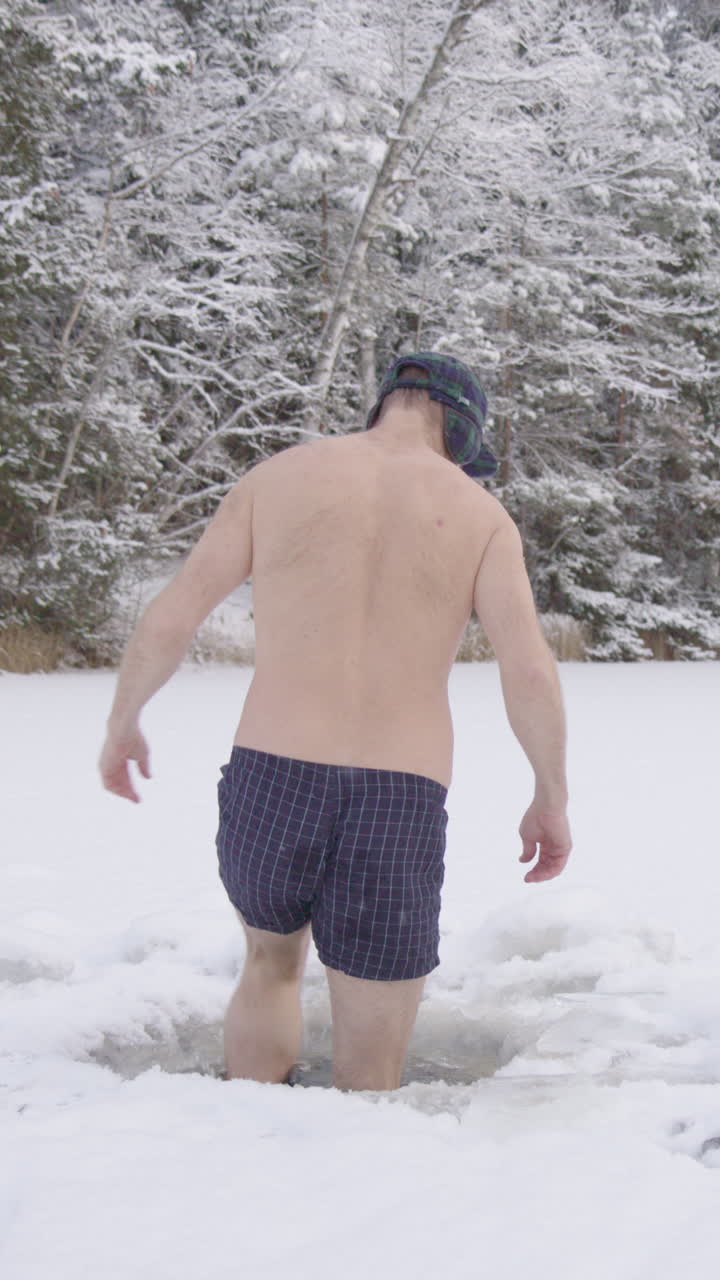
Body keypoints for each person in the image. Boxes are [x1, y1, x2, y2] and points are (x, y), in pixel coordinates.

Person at [99, 352, 572, 1091]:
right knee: (375, 1034)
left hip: (271, 773)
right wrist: (550, 793)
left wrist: (123, 721)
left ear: (386, 404)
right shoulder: (481, 517)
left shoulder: (278, 478)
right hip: (399, 791)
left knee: (270, 964)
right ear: (459, 428)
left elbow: (175, 612)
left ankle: (240, 1136)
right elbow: (530, 670)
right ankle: (354, 1178)